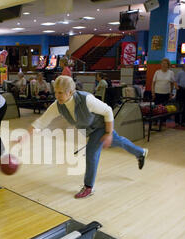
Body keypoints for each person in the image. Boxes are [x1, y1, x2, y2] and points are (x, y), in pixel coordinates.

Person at [15, 76, 148, 199]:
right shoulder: (58, 105)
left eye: (60, 92)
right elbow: (42, 121)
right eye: (55, 92)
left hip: (101, 127)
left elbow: (107, 110)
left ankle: (88, 187)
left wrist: (108, 133)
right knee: (119, 142)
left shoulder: (86, 99)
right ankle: (140, 152)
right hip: (90, 131)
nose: (57, 96)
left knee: (91, 153)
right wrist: (26, 135)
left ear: (71, 92)